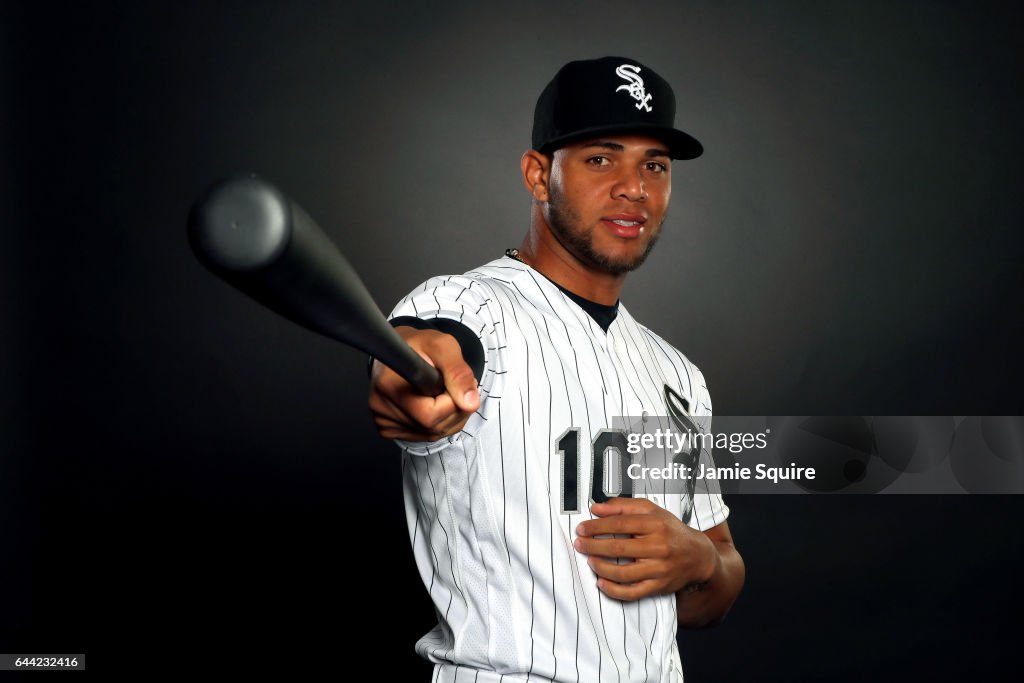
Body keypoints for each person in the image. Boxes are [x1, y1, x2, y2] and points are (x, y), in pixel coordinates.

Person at [369, 56, 744, 683]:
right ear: (539, 175)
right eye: (602, 158)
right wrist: (415, 386)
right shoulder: (471, 305)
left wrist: (700, 559)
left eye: (654, 164)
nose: (635, 187)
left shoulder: (678, 373)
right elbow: (425, 352)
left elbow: (720, 584)